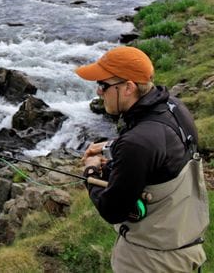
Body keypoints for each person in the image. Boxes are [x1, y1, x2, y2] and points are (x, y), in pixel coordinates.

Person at [75, 46, 209, 272]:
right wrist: (111, 146)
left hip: (150, 260)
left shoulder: (137, 143)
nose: (98, 92)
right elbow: (161, 146)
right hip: (185, 245)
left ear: (128, 87)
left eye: (104, 85)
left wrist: (91, 172)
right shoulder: (174, 107)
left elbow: (112, 210)